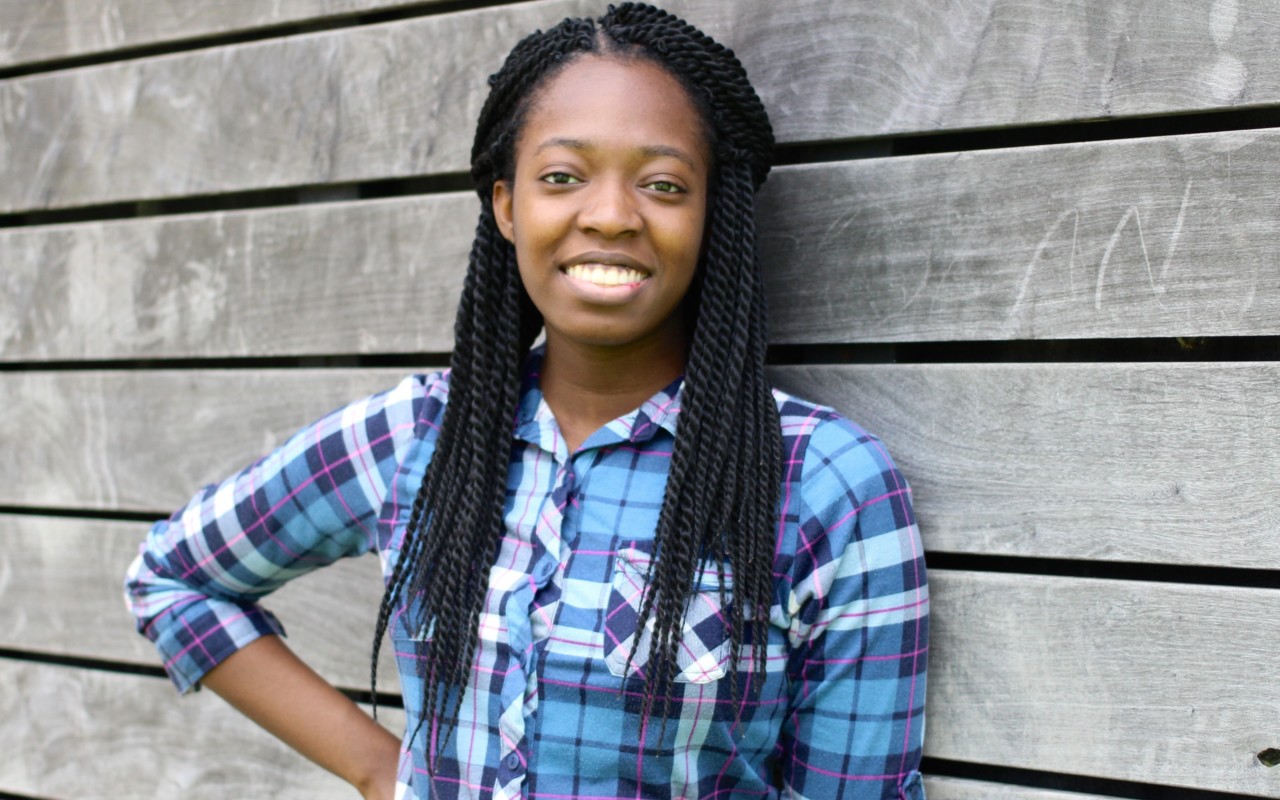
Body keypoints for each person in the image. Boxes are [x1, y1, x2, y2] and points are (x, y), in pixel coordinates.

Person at [124, 4, 928, 798]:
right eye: (562, 177)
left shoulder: (825, 483)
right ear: (507, 206)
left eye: (663, 184)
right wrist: (382, 772)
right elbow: (175, 578)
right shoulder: (419, 439)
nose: (610, 215)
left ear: (713, 213)